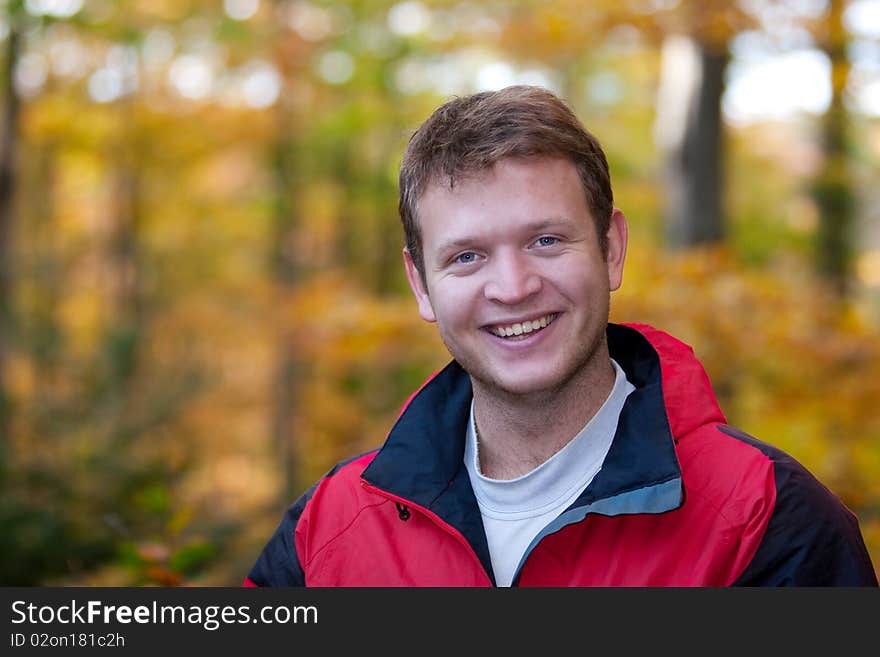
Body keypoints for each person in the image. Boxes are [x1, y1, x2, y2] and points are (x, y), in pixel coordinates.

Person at [245, 85, 878, 587]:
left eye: (545, 241)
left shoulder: (767, 518)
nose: (513, 286)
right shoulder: (329, 530)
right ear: (421, 284)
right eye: (466, 256)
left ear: (611, 250)